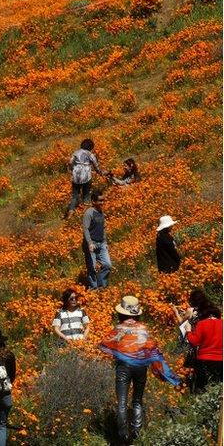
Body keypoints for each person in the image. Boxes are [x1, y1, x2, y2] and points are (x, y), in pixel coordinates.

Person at [99, 296, 180, 444]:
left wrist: (122, 350)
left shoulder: (119, 328)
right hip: (140, 367)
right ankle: (136, 435)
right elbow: (149, 347)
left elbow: (106, 344)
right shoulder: (143, 328)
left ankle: (122, 437)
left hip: (123, 367)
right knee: (137, 401)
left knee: (122, 403)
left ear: (122, 312)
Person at [179, 291, 223, 392]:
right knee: (218, 387)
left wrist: (189, 331)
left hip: (204, 360)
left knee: (201, 388)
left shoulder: (202, 324)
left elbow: (194, 341)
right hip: (221, 361)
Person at [64, 139, 106, 219]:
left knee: (74, 196)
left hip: (76, 177)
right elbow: (96, 166)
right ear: (91, 147)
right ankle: (85, 214)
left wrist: (71, 169)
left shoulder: (76, 152)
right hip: (86, 176)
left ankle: (70, 213)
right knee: (86, 196)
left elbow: (70, 162)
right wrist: (100, 173)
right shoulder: (90, 154)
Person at [82, 190, 112, 290]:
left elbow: (103, 228)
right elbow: (85, 229)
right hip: (92, 243)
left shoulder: (101, 212)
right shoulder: (88, 213)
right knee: (92, 267)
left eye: (103, 200)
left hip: (101, 243)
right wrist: (90, 243)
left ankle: (102, 285)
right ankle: (93, 288)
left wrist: (105, 242)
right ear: (93, 201)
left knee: (107, 264)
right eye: (100, 201)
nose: (102, 203)